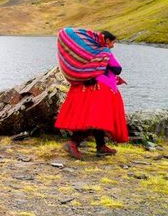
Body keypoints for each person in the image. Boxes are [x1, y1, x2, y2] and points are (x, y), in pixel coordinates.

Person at [55, 30, 129, 159]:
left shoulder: (89, 53)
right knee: (93, 119)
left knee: (97, 118)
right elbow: (118, 68)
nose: (113, 46)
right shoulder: (104, 52)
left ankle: (101, 146)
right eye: (112, 42)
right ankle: (72, 143)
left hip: (88, 88)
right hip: (100, 89)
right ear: (107, 40)